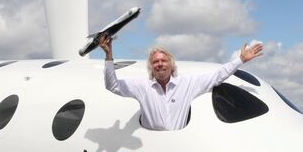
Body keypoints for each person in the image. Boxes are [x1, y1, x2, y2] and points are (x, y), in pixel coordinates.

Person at [100, 37, 264, 131]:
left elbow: (217, 76)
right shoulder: (142, 86)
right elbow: (112, 85)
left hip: (178, 149)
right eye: (155, 62)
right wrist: (109, 56)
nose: (160, 64)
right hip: (151, 147)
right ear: (151, 66)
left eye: (163, 61)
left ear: (171, 64)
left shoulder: (187, 84)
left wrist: (240, 60)